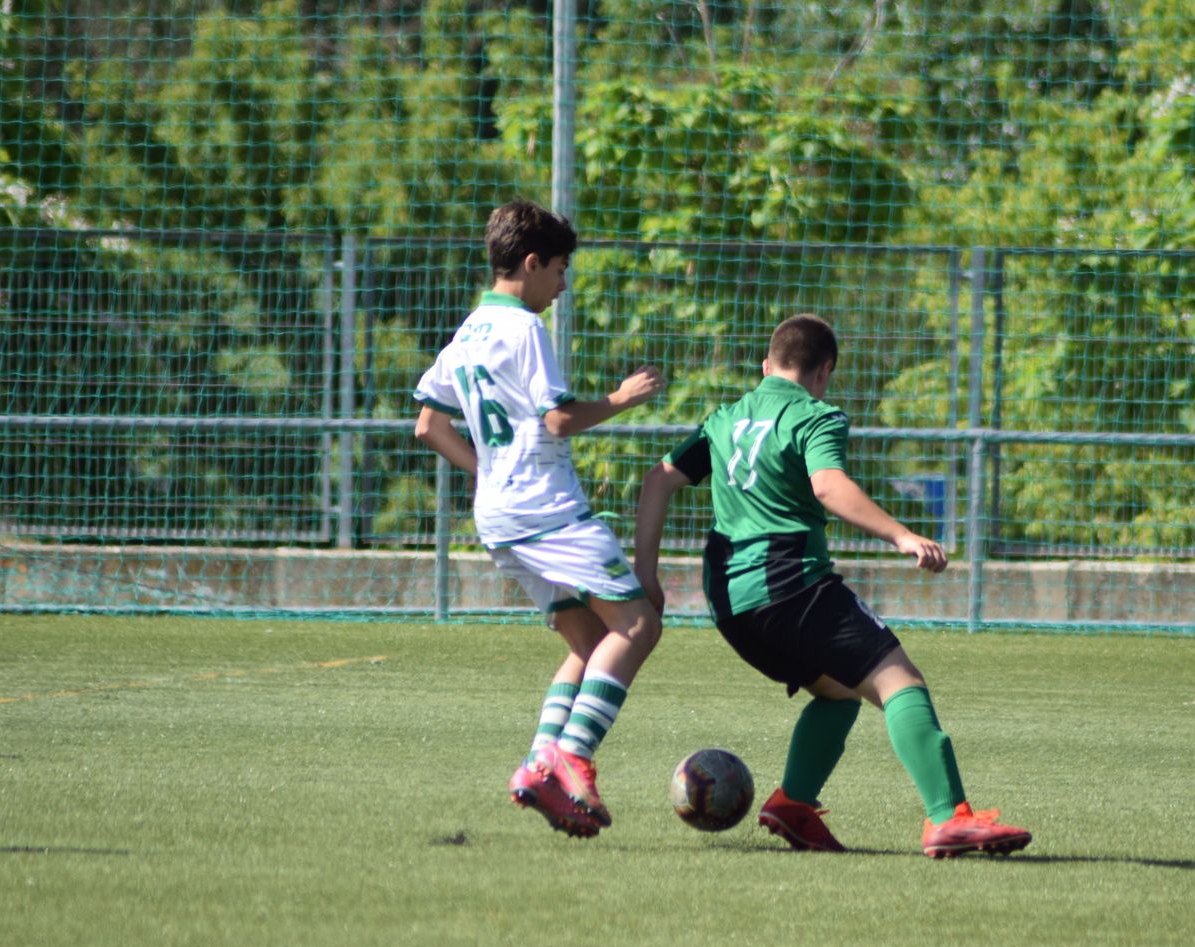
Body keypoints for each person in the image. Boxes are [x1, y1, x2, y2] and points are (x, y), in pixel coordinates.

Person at [634, 313, 1030, 858]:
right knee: (900, 683)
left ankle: (794, 804)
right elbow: (828, 486)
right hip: (792, 584)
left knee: (840, 690)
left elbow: (658, 480)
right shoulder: (815, 416)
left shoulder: (723, 418)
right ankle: (949, 818)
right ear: (824, 372)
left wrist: (646, 576)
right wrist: (901, 535)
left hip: (730, 604)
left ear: (766, 365)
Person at [414, 200, 665, 840]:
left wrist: (489, 473)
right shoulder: (526, 329)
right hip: (547, 509)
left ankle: (536, 765)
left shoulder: (467, 331)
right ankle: (572, 755)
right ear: (531, 264)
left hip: (499, 512)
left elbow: (428, 425)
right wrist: (620, 398)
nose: (562, 284)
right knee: (637, 623)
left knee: (586, 642)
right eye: (559, 269)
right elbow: (556, 418)